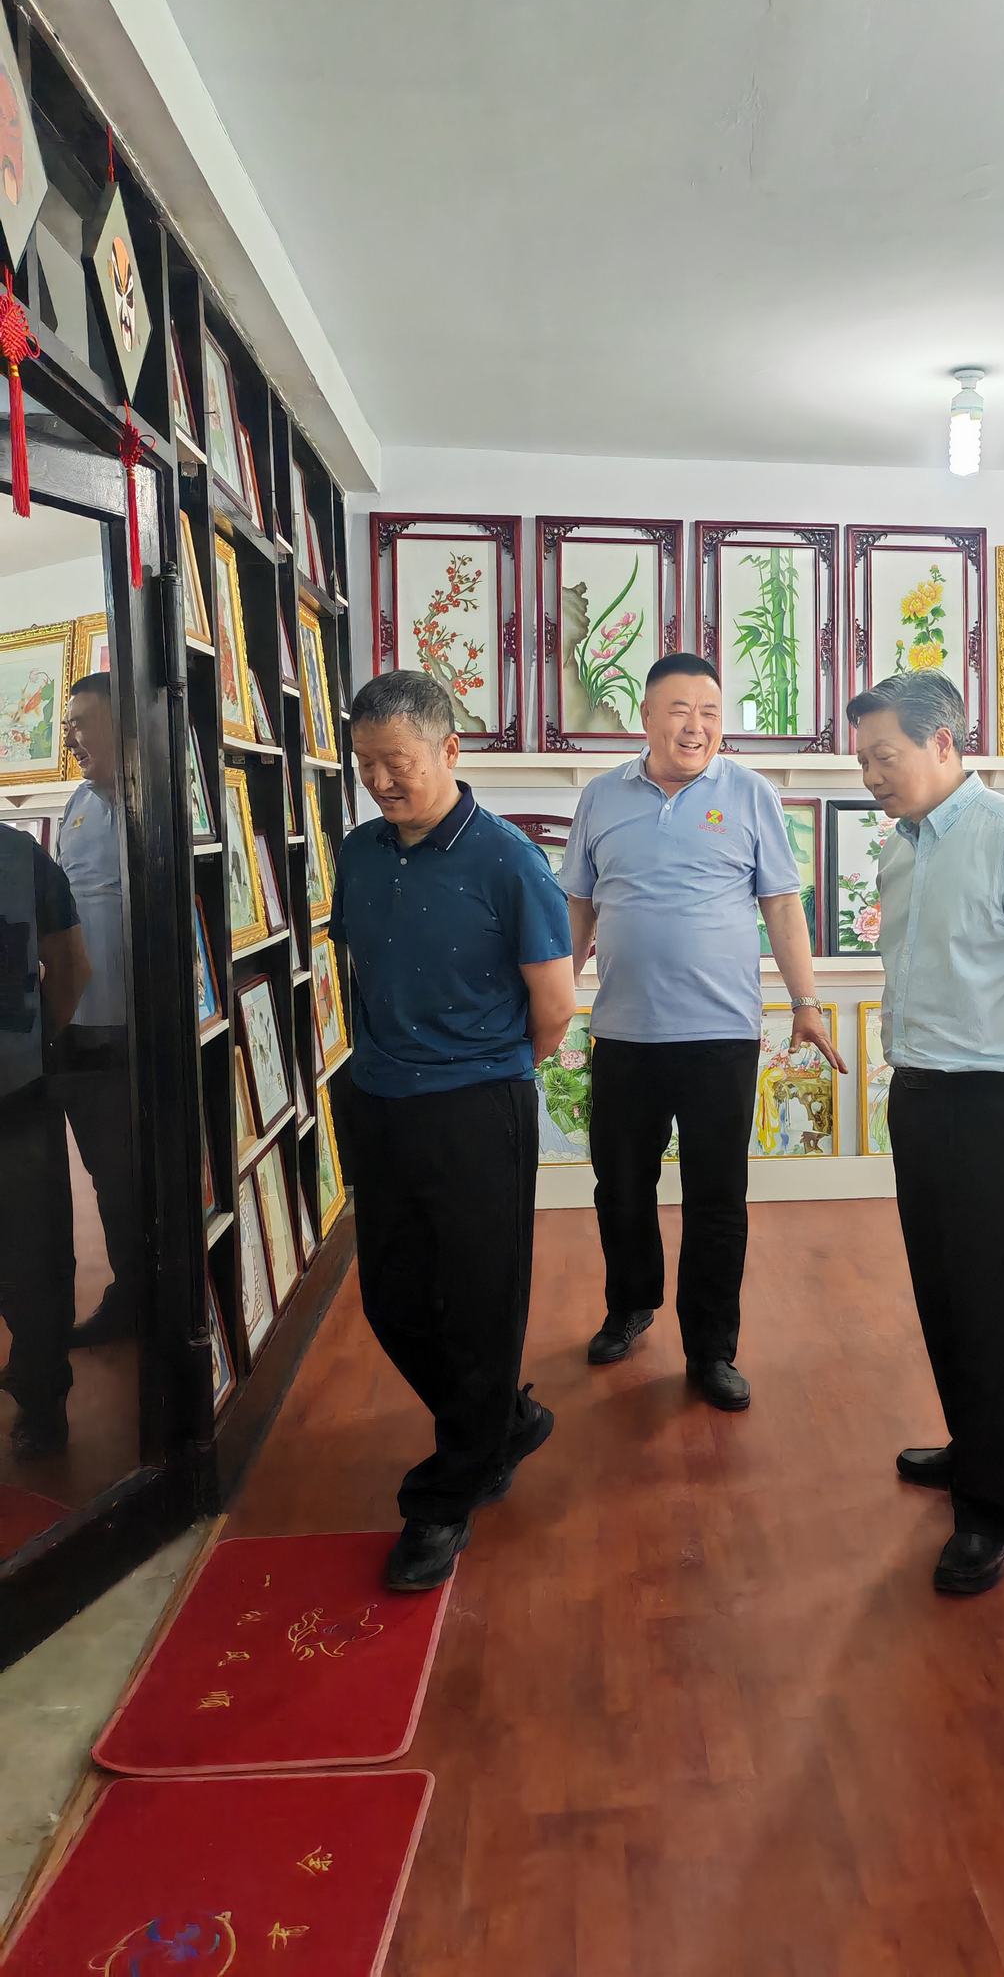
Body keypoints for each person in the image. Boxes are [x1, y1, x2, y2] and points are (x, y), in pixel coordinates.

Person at [848, 672, 1004, 1596]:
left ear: (944, 743)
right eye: (863, 759)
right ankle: (971, 1444)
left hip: (995, 1100)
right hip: (918, 1095)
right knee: (942, 1292)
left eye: (885, 755)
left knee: (992, 1308)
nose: (872, 774)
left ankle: (993, 1511)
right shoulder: (903, 847)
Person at [333, 670, 575, 1591]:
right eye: (365, 764)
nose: (380, 781)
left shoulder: (509, 860)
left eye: (396, 761)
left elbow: (554, 1005)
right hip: (379, 1098)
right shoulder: (358, 852)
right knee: (391, 1297)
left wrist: (488, 1067)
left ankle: (445, 1497)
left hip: (479, 1105)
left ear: (448, 750)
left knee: (480, 1306)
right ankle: (502, 1424)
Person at [561, 652, 843, 1412]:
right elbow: (579, 906)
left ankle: (712, 1349)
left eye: (711, 713)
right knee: (621, 1187)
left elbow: (782, 904)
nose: (697, 726)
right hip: (624, 1033)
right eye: (681, 710)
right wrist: (553, 997)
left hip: (721, 1036)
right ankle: (630, 1305)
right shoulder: (601, 797)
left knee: (717, 1198)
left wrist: (806, 1002)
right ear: (647, 718)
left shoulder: (750, 793)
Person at [56, 671, 145, 1348]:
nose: (70, 738)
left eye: (80, 722)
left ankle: (174, 1295)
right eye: (66, 726)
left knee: (157, 1173)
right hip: (84, 1031)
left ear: (122, 721)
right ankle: (130, 1295)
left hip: (149, 1030)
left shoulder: (162, 800)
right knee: (108, 1175)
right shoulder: (77, 806)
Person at [0, 820, 89, 1459]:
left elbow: (72, 968)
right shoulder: (21, 856)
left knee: (32, 1253)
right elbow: (72, 969)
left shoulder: (23, 857)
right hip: (16, 1084)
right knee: (34, 1250)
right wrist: (35, 1041)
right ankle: (40, 1401)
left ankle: (40, 1396)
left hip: (17, 1092)